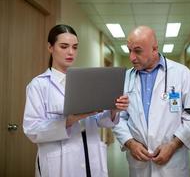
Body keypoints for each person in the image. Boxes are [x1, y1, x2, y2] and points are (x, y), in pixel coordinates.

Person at [23, 24, 129, 177]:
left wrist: (114, 109)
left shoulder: (86, 81)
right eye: (64, 46)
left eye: (75, 47)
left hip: (90, 157)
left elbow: (99, 120)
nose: (71, 52)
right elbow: (32, 130)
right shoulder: (39, 85)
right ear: (50, 47)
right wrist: (69, 121)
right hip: (60, 163)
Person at [112, 26, 190, 177]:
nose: (131, 57)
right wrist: (130, 143)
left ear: (154, 49)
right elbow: (117, 117)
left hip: (173, 164)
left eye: (138, 51)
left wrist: (173, 145)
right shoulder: (125, 78)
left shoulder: (182, 74)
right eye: (129, 50)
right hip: (138, 164)